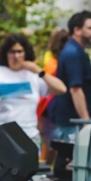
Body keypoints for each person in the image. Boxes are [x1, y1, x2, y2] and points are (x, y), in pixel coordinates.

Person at [49, 11, 91, 180]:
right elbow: (75, 89)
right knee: (71, 171)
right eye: (90, 28)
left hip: (74, 121)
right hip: (73, 122)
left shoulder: (76, 51)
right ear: (77, 30)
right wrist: (86, 121)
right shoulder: (73, 53)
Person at [0, 33, 66, 149]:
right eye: (12, 52)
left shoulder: (32, 75)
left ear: (25, 53)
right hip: (2, 135)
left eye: (19, 52)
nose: (16, 56)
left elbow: (61, 89)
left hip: (29, 134)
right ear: (5, 54)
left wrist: (38, 71)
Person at [37, 28, 69, 164]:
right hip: (50, 107)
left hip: (46, 107)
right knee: (49, 146)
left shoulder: (50, 60)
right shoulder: (57, 64)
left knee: (49, 146)